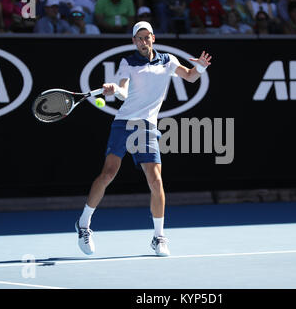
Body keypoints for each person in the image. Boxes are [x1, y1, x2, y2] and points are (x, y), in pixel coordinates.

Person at [75, 21, 212, 257]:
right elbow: (124, 90)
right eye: (139, 38)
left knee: (155, 179)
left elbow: (189, 77)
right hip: (124, 122)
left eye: (146, 37)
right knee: (108, 173)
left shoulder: (168, 61)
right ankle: (84, 224)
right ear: (133, 42)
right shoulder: (127, 62)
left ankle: (159, 237)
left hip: (146, 126)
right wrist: (114, 90)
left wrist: (200, 68)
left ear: (153, 38)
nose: (143, 41)